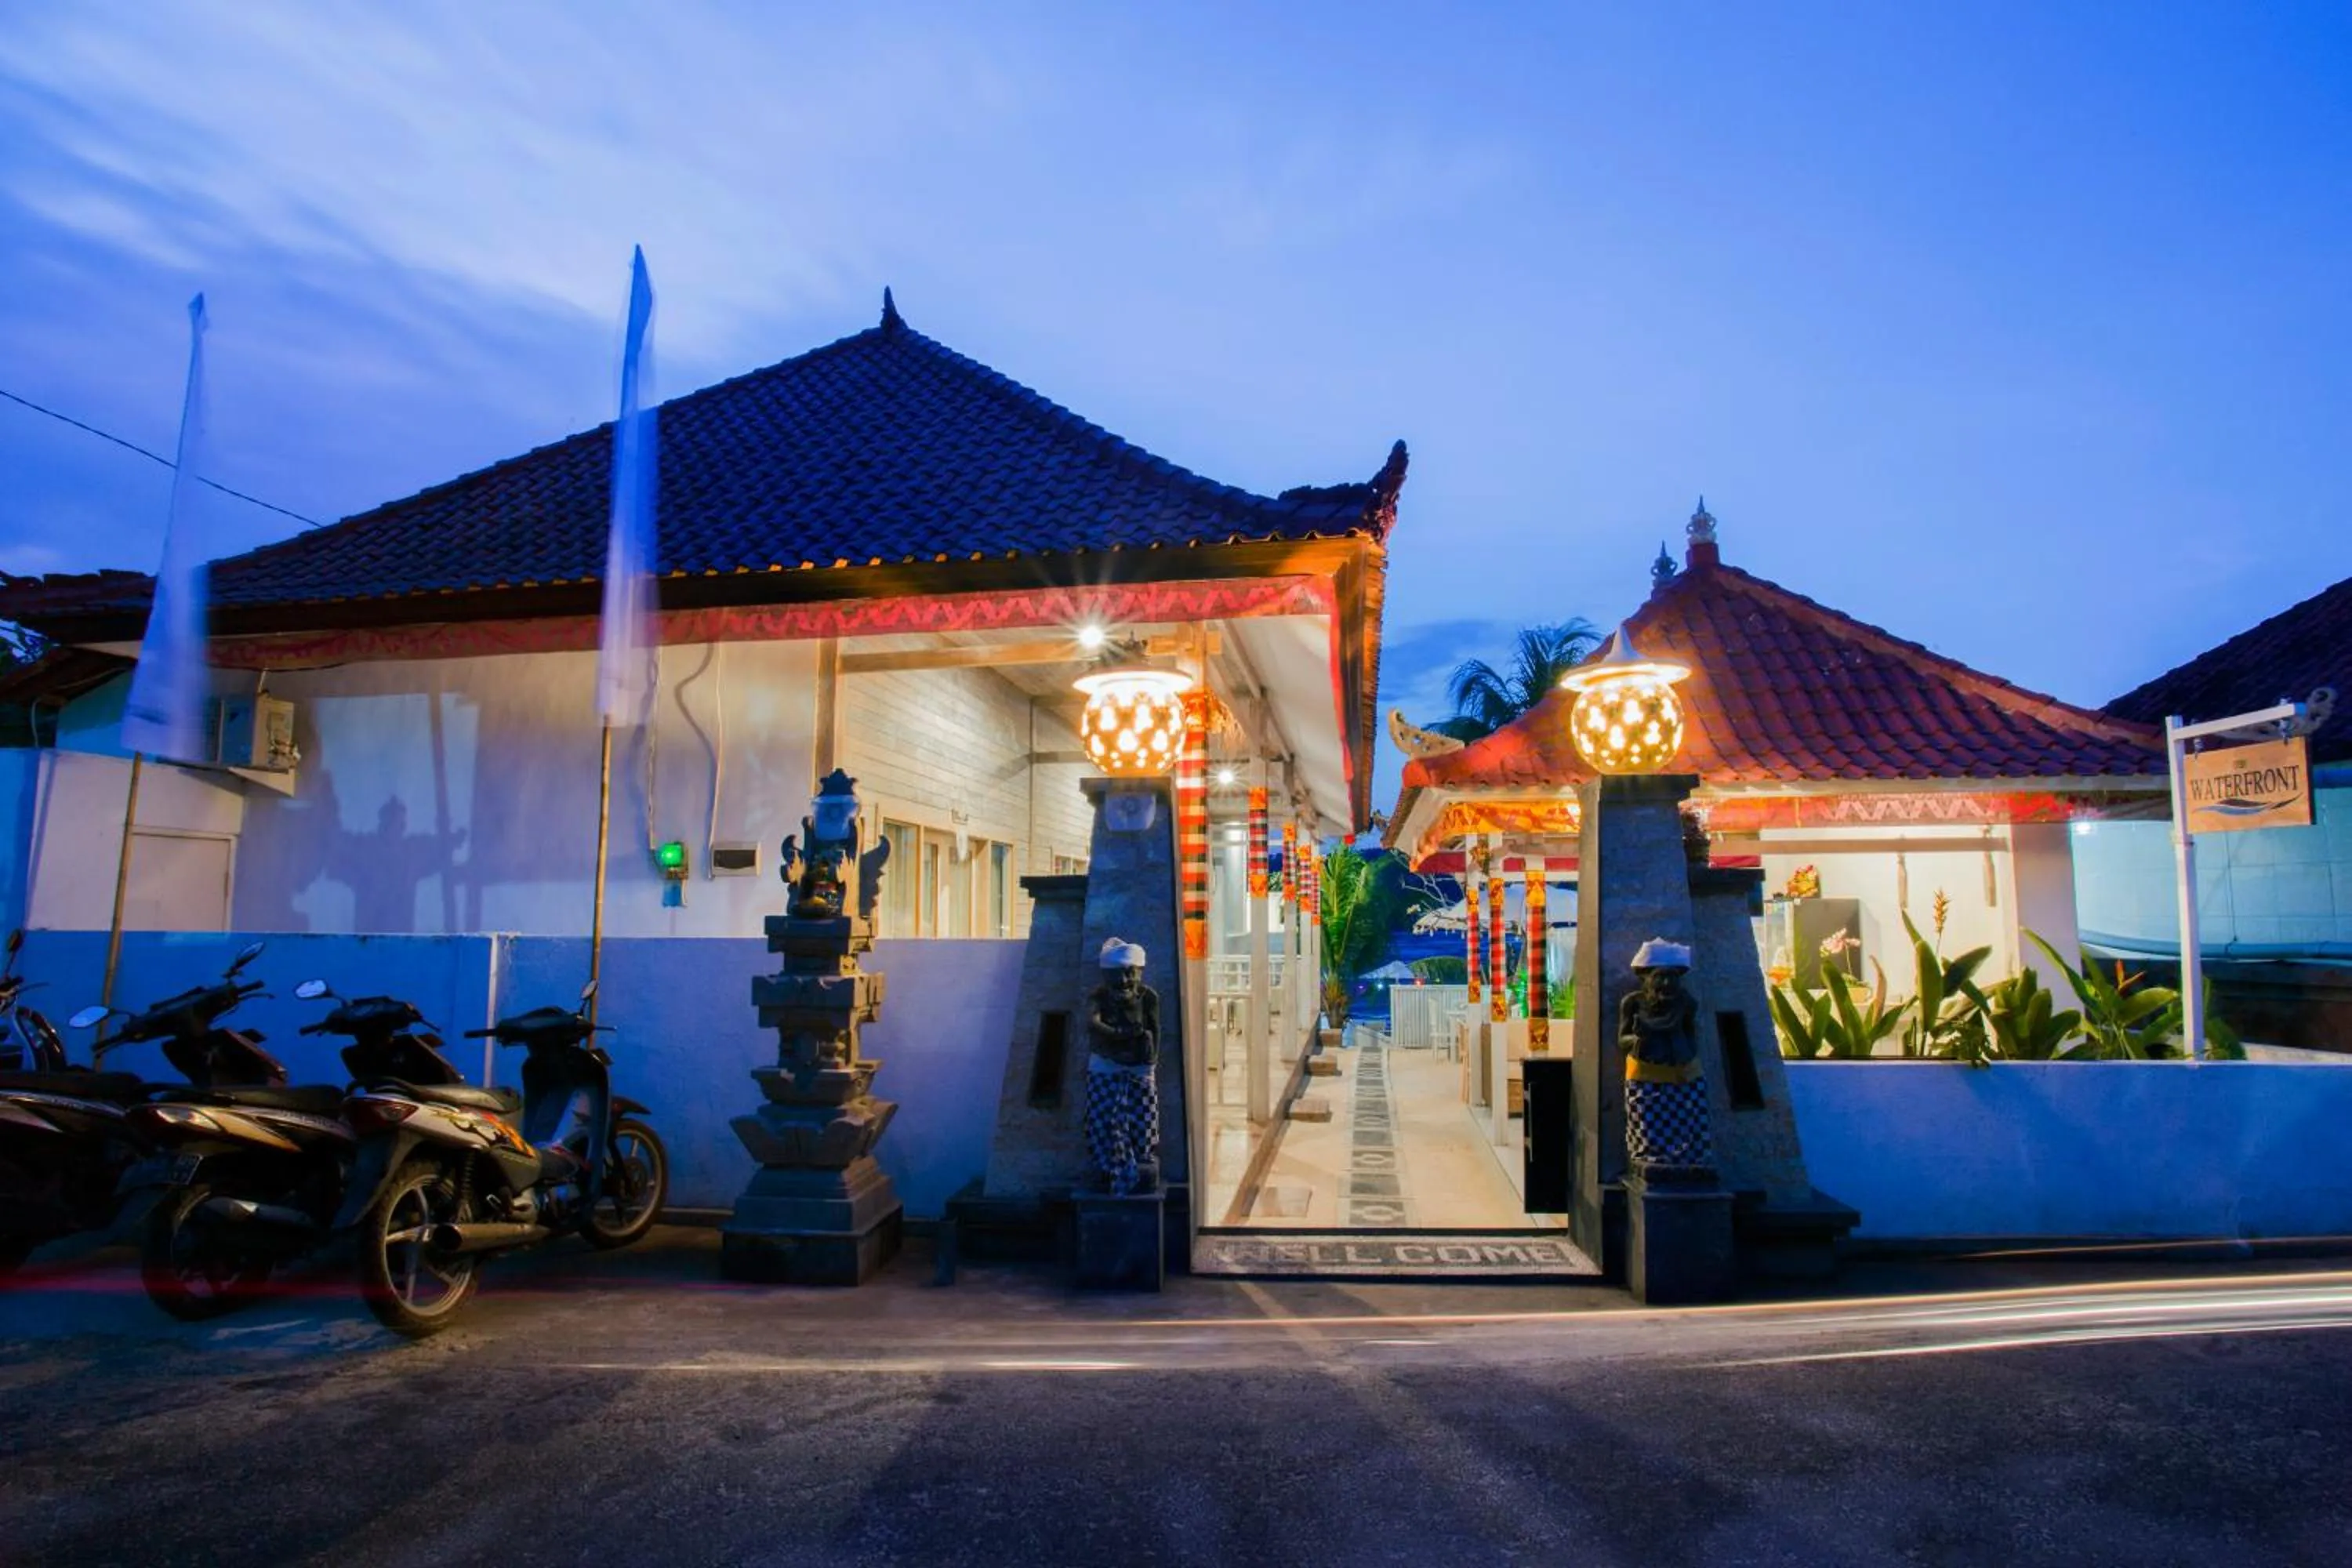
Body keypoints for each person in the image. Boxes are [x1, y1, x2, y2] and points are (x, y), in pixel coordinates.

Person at [1618, 937, 1712, 1169]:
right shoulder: (1633, 1003)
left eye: (1672, 977)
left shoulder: (1686, 1003)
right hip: (1646, 1076)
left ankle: (1691, 1160)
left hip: (1684, 1073)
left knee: (1689, 1122)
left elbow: (1691, 1035)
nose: (1667, 983)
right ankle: (1650, 1161)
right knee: (1649, 1124)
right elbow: (1622, 1040)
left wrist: (1685, 1055)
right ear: (1645, 978)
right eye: (1660, 977)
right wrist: (1639, 1040)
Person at [1083, 938, 1161, 1196]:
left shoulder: (1148, 997)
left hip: (1139, 1066)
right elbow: (1093, 1023)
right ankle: (1105, 1163)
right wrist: (1120, 1034)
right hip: (1105, 1063)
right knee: (1100, 1117)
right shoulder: (1099, 996)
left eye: (1131, 974)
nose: (1125, 981)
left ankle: (1142, 1157)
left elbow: (1155, 1029)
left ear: (1140, 972)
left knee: (1144, 1116)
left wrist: (1150, 1058)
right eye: (1117, 975)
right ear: (1106, 976)